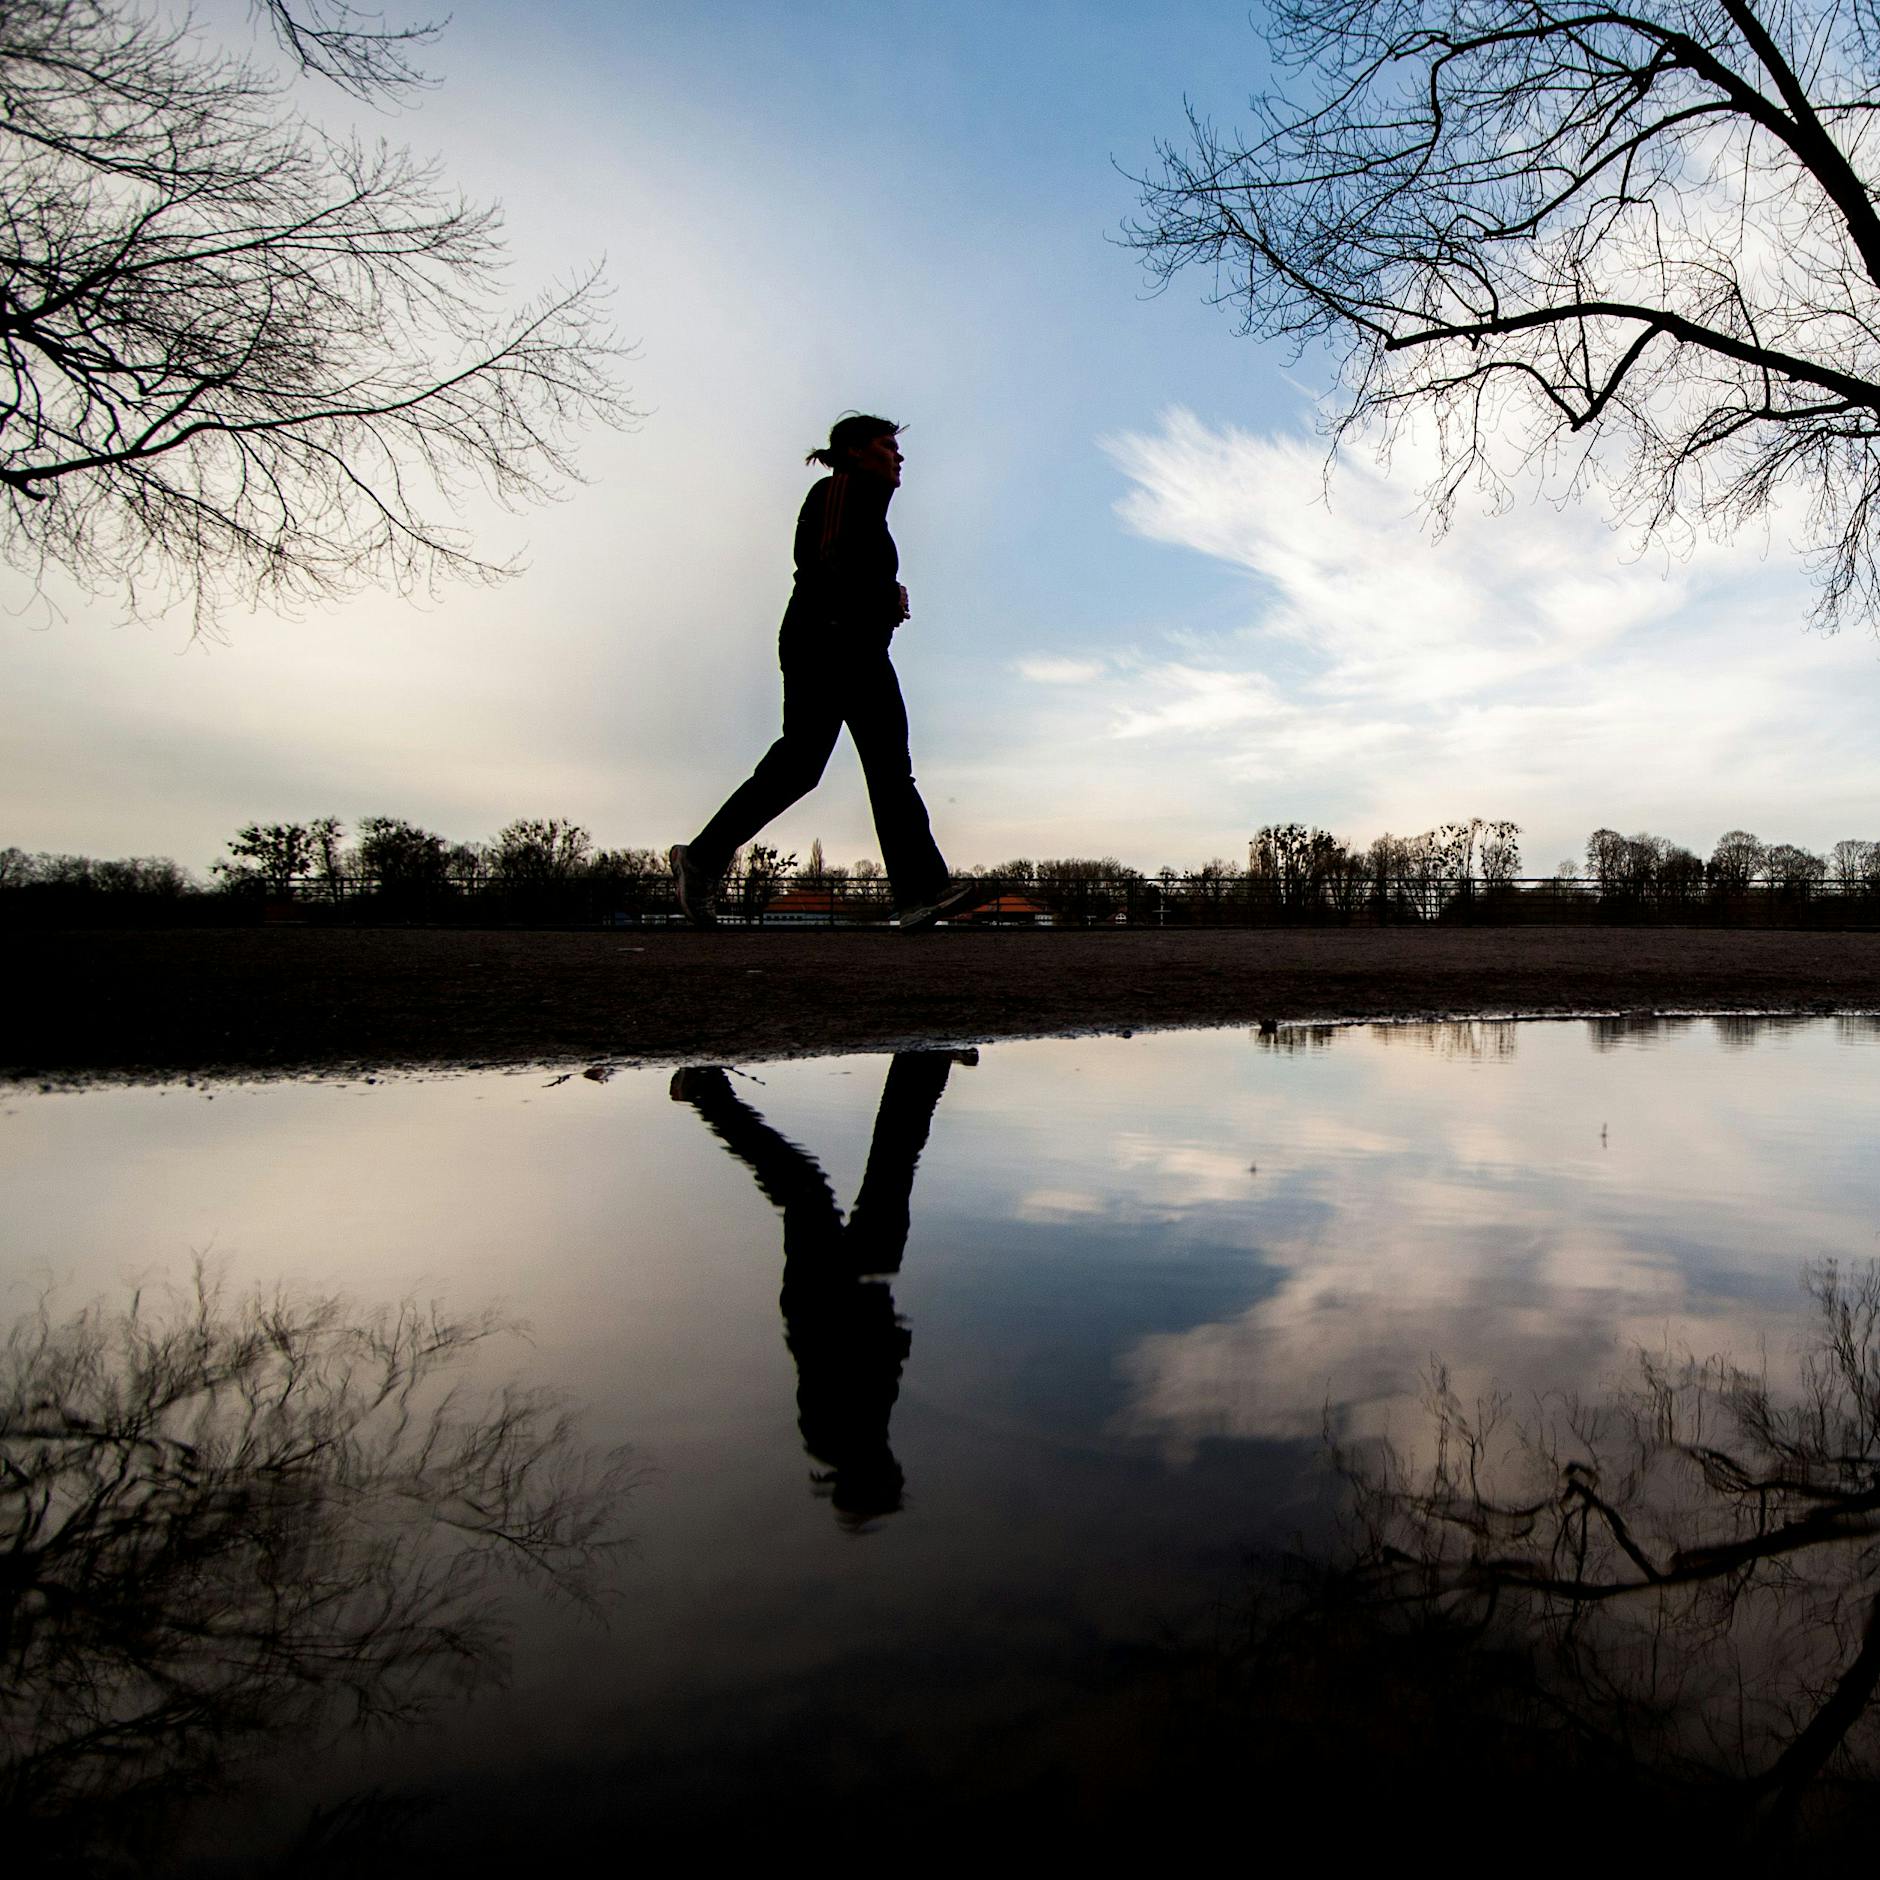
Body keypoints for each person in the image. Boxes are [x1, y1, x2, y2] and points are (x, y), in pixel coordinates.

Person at [669, 413, 985, 931]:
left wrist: (888, 599)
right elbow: (827, 561)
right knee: (815, 766)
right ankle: (702, 858)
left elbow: (848, 569)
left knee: (852, 767)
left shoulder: (868, 511)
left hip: (856, 646)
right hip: (825, 641)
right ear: (857, 451)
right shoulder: (837, 489)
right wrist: (885, 594)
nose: (899, 456)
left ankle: (918, 892)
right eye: (888, 446)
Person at [668, 1050, 973, 1526]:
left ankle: (705, 1092)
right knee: (890, 1169)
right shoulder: (864, 1436)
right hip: (866, 1290)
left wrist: (889, 1340)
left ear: (870, 1477)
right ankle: (923, 1061)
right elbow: (875, 1365)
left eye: (891, 1479)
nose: (898, 1470)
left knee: (810, 1189)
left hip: (826, 1292)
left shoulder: (832, 1436)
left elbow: (829, 1354)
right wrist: (893, 1339)